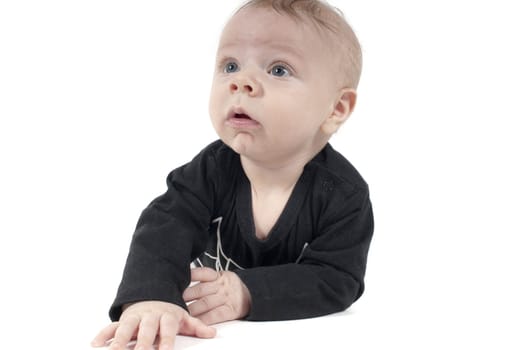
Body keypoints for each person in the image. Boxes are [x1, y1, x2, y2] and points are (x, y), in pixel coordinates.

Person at [92, 0, 373, 349]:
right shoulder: (210, 171)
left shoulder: (343, 195)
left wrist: (248, 292)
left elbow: (338, 278)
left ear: (336, 108)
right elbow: (166, 226)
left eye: (279, 70)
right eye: (230, 65)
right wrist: (152, 295)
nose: (242, 82)